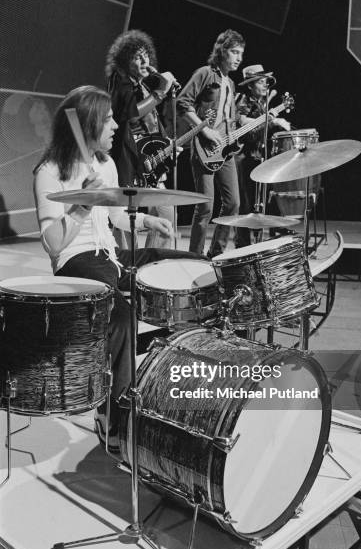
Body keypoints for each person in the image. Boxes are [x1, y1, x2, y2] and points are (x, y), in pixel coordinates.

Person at [33, 85, 199, 450]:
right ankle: (117, 420)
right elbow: (53, 243)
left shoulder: (105, 164)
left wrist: (146, 223)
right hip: (76, 262)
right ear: (88, 123)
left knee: (188, 268)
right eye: (107, 119)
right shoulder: (49, 171)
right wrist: (82, 204)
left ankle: (174, 393)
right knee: (121, 319)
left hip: (109, 254)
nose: (114, 126)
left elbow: (115, 216)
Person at [105, 29, 176, 248]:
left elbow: (152, 122)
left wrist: (167, 145)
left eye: (146, 55)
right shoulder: (120, 81)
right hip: (129, 164)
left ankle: (152, 262)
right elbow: (131, 113)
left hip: (149, 163)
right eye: (137, 56)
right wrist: (161, 92)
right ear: (126, 61)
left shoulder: (143, 85)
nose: (145, 60)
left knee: (166, 214)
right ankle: (128, 269)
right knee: (127, 221)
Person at [177, 29, 245, 258]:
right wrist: (204, 129)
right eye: (234, 52)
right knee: (205, 206)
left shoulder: (231, 83)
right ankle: (194, 256)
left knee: (233, 203)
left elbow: (229, 119)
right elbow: (182, 103)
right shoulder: (205, 73)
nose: (238, 58)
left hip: (226, 151)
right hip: (204, 149)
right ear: (222, 51)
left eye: (241, 54)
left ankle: (216, 253)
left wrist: (238, 131)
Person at [234, 65, 291, 248]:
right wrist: (273, 120)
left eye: (265, 81)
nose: (265, 84)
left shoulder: (261, 103)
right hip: (243, 157)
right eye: (260, 81)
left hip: (257, 157)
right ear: (250, 85)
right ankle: (242, 245)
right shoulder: (243, 100)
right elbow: (242, 124)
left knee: (259, 202)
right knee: (245, 205)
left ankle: (257, 242)